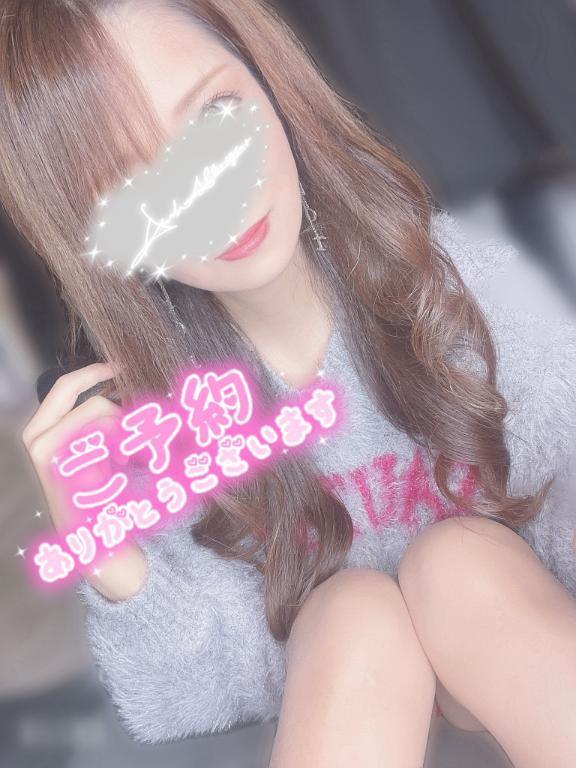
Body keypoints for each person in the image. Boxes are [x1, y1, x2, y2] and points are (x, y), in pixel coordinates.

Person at [3, 1, 576, 765]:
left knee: (459, 565)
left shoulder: (467, 289)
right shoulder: (157, 425)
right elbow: (196, 696)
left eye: (214, 114)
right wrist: (117, 562)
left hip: (525, 641)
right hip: (353, 687)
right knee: (350, 614)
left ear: (269, 80)